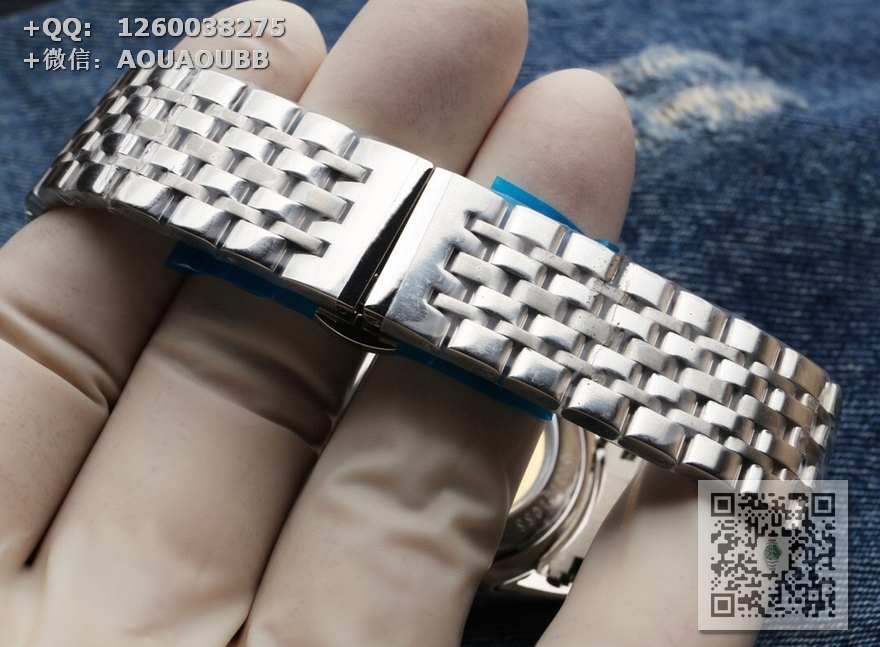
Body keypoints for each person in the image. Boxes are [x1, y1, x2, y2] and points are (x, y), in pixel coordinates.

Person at [0, 0, 830, 644]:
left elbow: (793, 460)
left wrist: (790, 500)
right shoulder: (780, 468)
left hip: (731, 426)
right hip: (743, 433)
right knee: (786, 547)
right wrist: (789, 531)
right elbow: (788, 480)